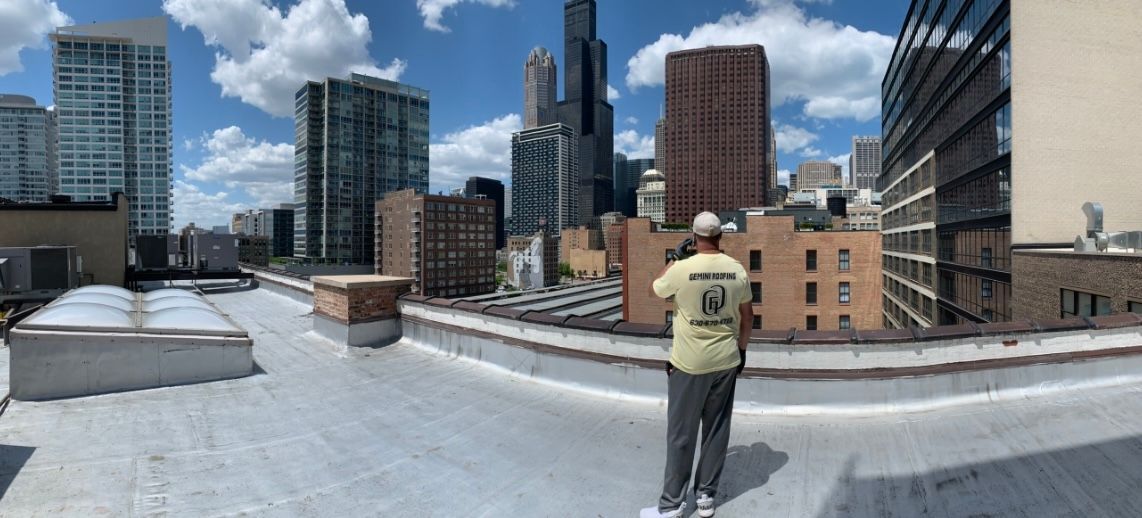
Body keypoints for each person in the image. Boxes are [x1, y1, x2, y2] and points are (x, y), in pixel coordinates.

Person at [640, 211, 751, 518]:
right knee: (716, 431)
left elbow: (653, 289)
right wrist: (742, 352)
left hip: (688, 365)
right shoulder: (737, 269)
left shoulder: (682, 269)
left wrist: (675, 258)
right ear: (720, 236)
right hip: (726, 361)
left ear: (693, 237)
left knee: (681, 434)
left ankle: (671, 505)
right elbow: (748, 316)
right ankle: (705, 497)